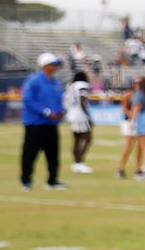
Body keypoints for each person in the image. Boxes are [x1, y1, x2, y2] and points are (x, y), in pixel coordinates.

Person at [18, 52, 70, 189]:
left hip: (51, 124)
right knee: (30, 153)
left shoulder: (55, 82)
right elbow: (28, 100)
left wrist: (62, 111)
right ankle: (26, 181)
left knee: (53, 154)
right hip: (35, 123)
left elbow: (59, 100)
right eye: (53, 64)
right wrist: (46, 112)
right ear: (45, 65)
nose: (55, 67)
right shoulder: (33, 80)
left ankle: (52, 180)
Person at [65, 62, 96, 173]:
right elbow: (83, 100)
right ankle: (80, 162)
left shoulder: (71, 86)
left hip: (71, 114)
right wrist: (87, 116)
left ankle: (76, 164)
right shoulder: (82, 85)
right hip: (80, 114)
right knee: (87, 139)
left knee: (76, 140)